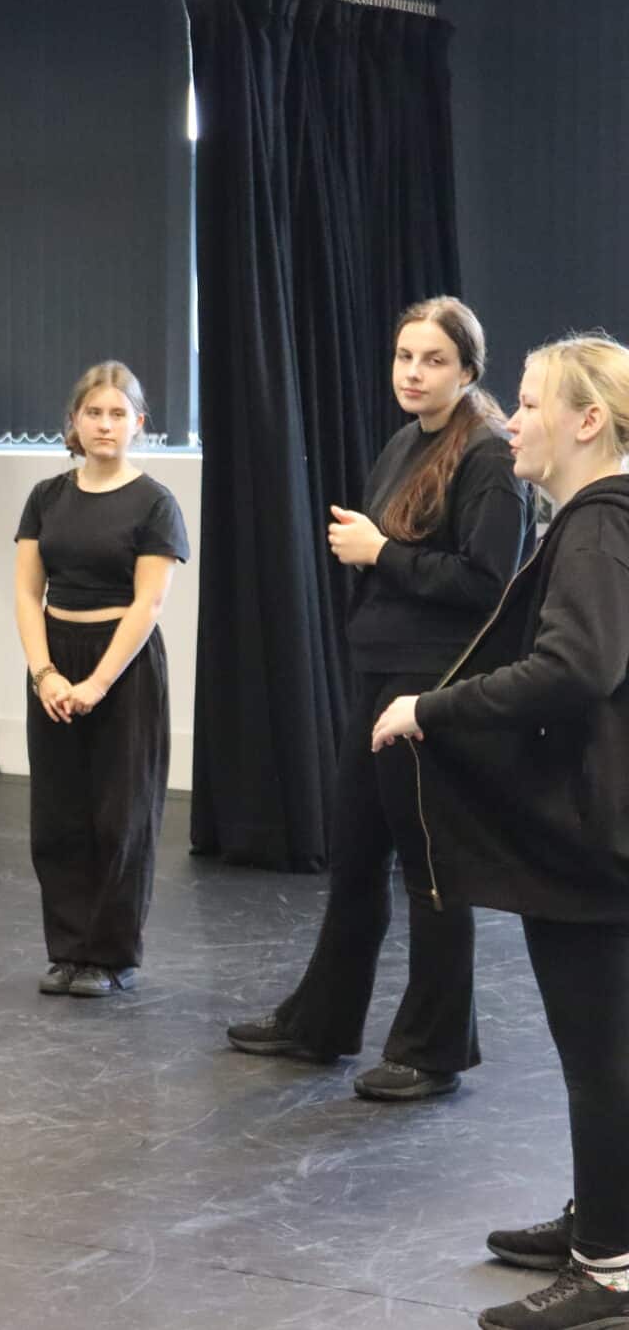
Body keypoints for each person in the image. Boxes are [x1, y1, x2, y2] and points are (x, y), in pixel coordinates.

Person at [370, 334, 629, 1330]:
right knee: (600, 1045)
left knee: (597, 1051)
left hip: (591, 838)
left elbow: (574, 669)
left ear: (585, 421)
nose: (509, 419)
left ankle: (607, 1265)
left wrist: (431, 711)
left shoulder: (599, 525)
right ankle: (600, 1218)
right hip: (599, 828)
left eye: (526, 403)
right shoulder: (595, 520)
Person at [228, 297, 531, 1101]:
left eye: (433, 359)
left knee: (432, 864)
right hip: (381, 669)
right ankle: (320, 1022)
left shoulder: (490, 456)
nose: (413, 372)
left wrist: (380, 551)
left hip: (434, 684)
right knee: (357, 853)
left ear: (468, 369)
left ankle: (434, 1049)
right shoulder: (406, 440)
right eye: (404, 356)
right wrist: (379, 560)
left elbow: (488, 583)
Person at [13, 362, 188, 997]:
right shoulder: (46, 497)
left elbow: (149, 604)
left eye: (118, 414)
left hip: (124, 664)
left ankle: (110, 957)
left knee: (121, 813)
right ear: (74, 423)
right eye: (94, 413)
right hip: (56, 657)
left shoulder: (154, 503)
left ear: (138, 424)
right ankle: (68, 950)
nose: (105, 425)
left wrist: (95, 684)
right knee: (57, 814)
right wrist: (46, 674)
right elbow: (28, 592)